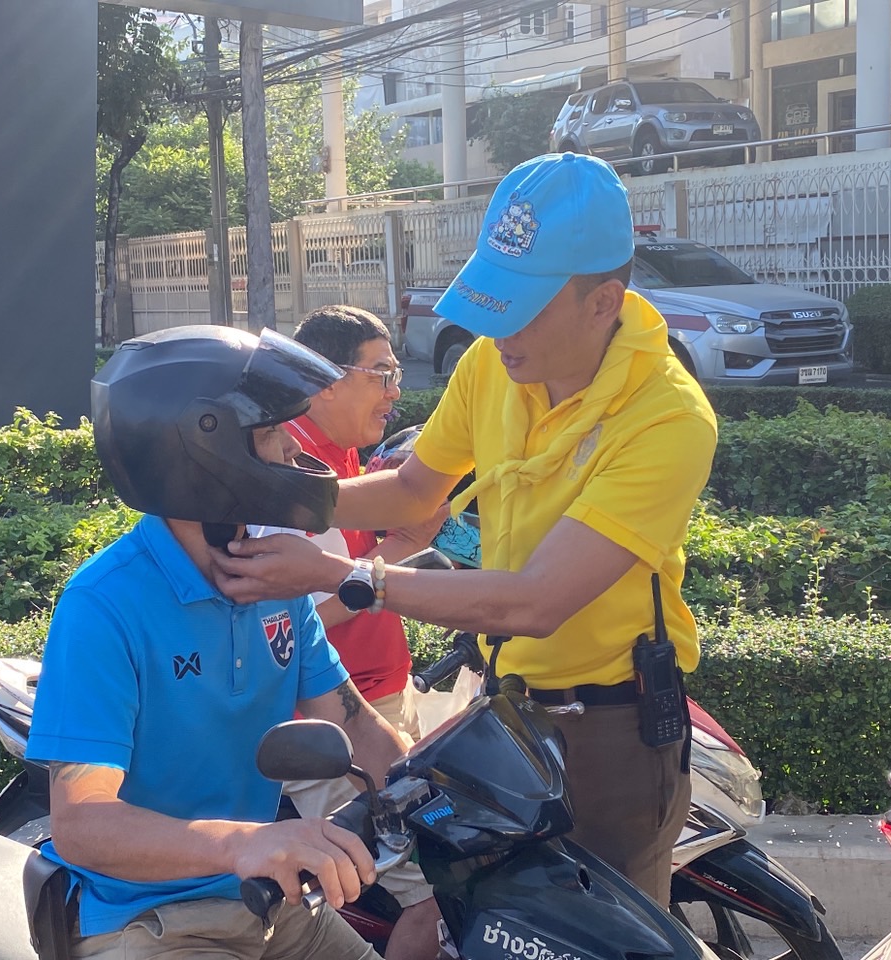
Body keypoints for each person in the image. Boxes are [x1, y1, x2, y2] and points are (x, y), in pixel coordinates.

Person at [211, 152, 720, 905]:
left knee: (596, 934)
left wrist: (341, 577)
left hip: (610, 729)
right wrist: (281, 494)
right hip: (502, 709)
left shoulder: (667, 417)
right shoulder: (493, 364)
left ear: (603, 303)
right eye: (491, 299)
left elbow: (536, 602)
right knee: (459, 921)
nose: (493, 327)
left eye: (521, 307)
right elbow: (415, 489)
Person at [25, 325, 408, 959]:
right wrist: (244, 843)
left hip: (268, 901)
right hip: (147, 918)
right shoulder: (105, 604)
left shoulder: (274, 579)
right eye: (272, 432)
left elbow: (352, 721)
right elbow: (81, 824)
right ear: (204, 448)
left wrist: (443, 790)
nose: (293, 449)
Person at [251, 305, 446, 960]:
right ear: (328, 380)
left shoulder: (345, 456)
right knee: (433, 898)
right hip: (327, 724)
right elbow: (303, 610)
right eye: (382, 374)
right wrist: (397, 554)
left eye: (396, 375)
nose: (395, 392)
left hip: (374, 704)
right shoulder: (295, 468)